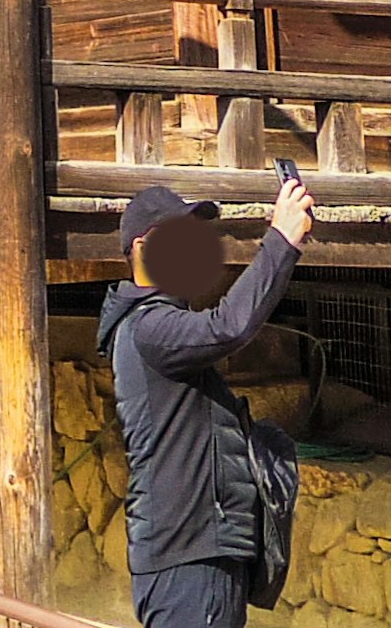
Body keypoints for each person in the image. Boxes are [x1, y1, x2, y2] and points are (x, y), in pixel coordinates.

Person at [97, 171, 318, 628]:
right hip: (188, 561)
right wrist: (281, 241)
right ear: (141, 247)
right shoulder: (149, 327)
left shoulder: (155, 327)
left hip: (196, 557)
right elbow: (229, 326)